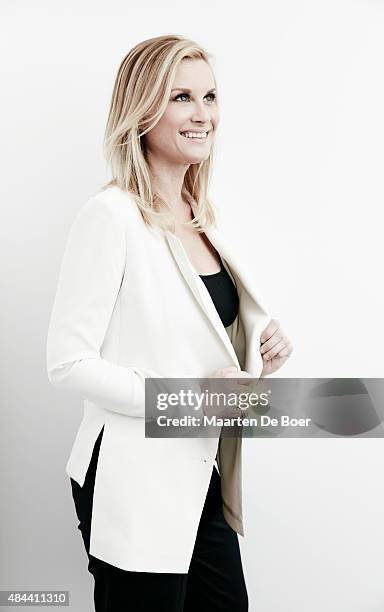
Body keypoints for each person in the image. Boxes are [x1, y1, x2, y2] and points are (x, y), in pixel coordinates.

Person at [46, 34, 293, 612]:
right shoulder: (110, 216)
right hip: (130, 477)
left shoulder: (204, 218)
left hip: (197, 475)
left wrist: (259, 354)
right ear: (142, 108)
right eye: (182, 96)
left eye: (210, 96)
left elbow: (203, 350)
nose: (202, 113)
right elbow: (67, 363)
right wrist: (186, 401)